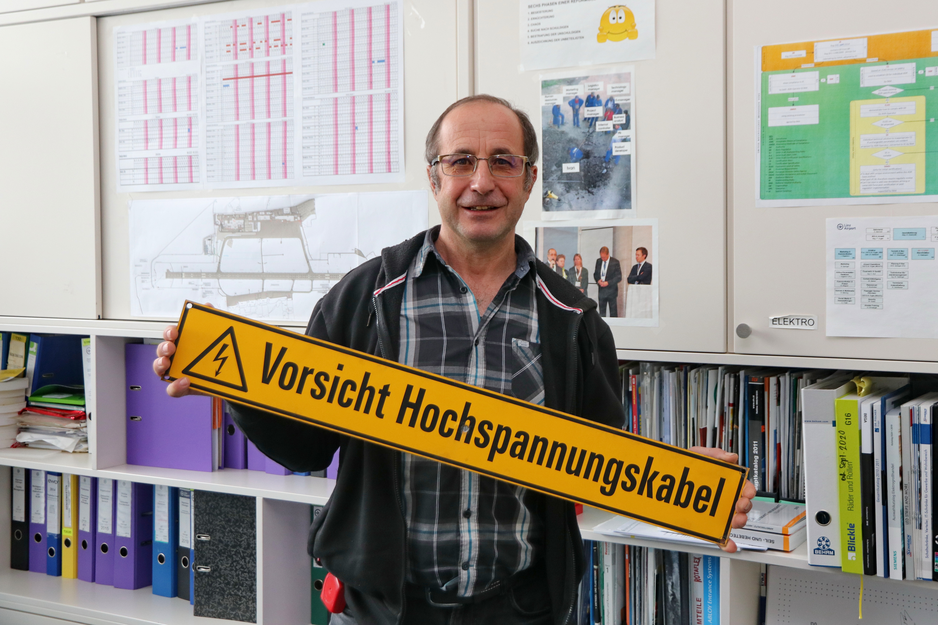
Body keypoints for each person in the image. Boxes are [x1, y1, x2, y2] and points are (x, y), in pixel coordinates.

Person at [152, 95, 754, 625]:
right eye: (461, 160)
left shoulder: (572, 317)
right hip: (381, 608)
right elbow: (306, 449)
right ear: (435, 177)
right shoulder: (366, 297)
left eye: (502, 162)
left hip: (522, 608)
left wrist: (681, 482)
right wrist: (230, 378)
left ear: (530, 178)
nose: (481, 181)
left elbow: (591, 458)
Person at [593, 246, 622, 317]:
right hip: (602, 290)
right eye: (601, 257)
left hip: (611, 291)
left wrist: (608, 283)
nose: (603, 259)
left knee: (613, 312)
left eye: (604, 257)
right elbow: (595, 274)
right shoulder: (598, 261)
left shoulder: (615, 262)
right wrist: (598, 280)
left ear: (608, 254)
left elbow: (619, 277)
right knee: (602, 313)